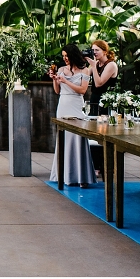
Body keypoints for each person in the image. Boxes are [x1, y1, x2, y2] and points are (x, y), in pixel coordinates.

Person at [48, 43, 96, 188]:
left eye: (67, 56)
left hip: (76, 106)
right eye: (63, 56)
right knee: (64, 139)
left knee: (79, 139)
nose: (65, 58)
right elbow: (57, 91)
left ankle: (82, 177)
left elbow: (82, 90)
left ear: (73, 55)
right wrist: (55, 79)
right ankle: (64, 175)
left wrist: (65, 81)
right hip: (63, 105)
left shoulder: (85, 70)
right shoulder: (61, 70)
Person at [86, 40, 118, 116]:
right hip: (94, 99)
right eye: (93, 50)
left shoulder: (111, 65)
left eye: (97, 50)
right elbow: (84, 75)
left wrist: (93, 66)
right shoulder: (96, 63)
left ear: (105, 52)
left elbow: (98, 84)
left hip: (105, 101)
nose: (94, 52)